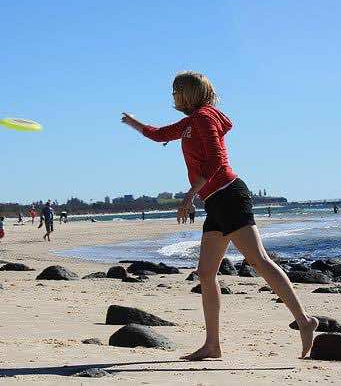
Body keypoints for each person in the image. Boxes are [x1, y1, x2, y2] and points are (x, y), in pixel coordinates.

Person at [121, 71, 318, 360]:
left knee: (259, 260)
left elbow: (216, 160)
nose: (173, 97)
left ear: (188, 93)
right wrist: (134, 123)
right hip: (216, 202)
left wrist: (189, 195)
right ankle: (212, 345)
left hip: (228, 195)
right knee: (206, 273)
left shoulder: (204, 118)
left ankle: (304, 321)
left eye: (176, 91)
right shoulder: (191, 122)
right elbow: (159, 134)